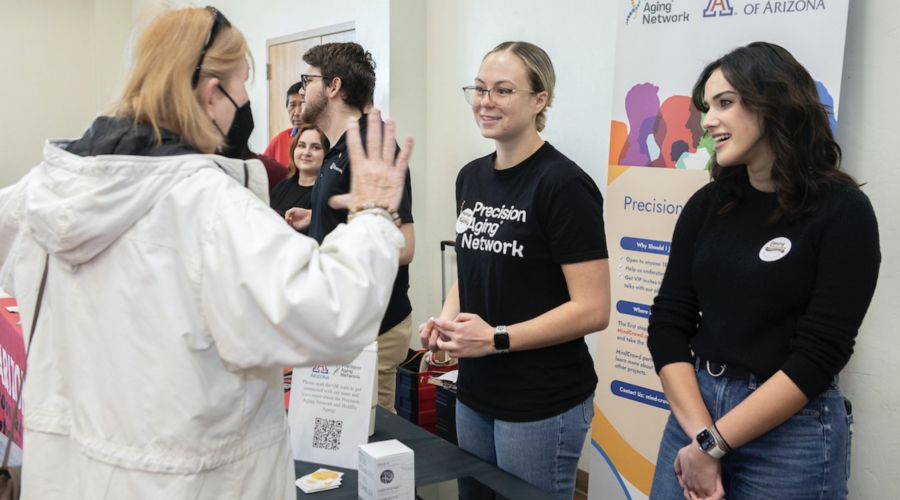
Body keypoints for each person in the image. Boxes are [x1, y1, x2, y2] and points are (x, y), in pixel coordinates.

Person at [0, 7, 413, 500]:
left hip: (72, 478)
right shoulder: (205, 205)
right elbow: (332, 318)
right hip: (191, 481)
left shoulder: (45, 190)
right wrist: (372, 216)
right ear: (212, 93)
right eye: (243, 84)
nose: (247, 101)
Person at [647, 42, 880, 500]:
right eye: (706, 107)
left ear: (776, 102)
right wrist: (702, 439)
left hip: (789, 433)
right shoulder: (707, 205)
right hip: (695, 414)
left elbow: (819, 354)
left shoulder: (843, 211)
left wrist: (714, 443)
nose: (707, 121)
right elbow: (668, 323)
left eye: (725, 103)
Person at [419, 41, 611, 500]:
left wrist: (496, 338)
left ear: (539, 99)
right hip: (476, 391)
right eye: (480, 89)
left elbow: (593, 309)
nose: (486, 102)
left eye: (503, 90)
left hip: (541, 400)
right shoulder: (471, 176)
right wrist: (447, 323)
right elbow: (472, 268)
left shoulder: (563, 186)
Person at [291, 42, 416, 414]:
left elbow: (405, 245)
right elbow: (361, 217)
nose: (301, 91)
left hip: (373, 325)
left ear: (334, 87)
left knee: (369, 441)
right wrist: (315, 219)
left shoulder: (372, 146)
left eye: (307, 80)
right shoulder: (338, 146)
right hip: (340, 319)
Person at [270, 123, 328, 228]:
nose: (306, 152)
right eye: (301, 146)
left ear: (327, 153)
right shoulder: (282, 185)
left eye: (315, 147)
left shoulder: (326, 193)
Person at [263, 81, 304, 167]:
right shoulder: (278, 141)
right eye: (292, 105)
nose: (297, 113)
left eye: (302, 104)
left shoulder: (324, 139)